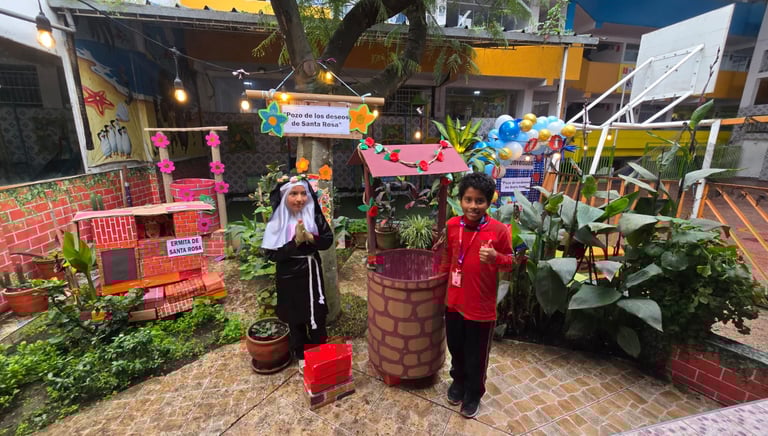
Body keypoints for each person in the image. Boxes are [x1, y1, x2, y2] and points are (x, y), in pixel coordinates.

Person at [438, 172, 514, 418]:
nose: (473, 206)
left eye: (479, 201)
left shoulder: (499, 230)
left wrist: (496, 257)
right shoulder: (452, 225)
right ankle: (458, 382)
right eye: (468, 200)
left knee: (476, 355)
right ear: (460, 200)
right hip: (454, 303)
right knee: (456, 347)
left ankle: (473, 393)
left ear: (488, 202)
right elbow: (447, 258)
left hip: (481, 308)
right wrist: (439, 286)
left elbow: (510, 263)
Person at [261, 177, 334, 372]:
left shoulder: (314, 215)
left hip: (311, 271)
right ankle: (301, 354)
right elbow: (272, 255)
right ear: (284, 196)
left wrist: (310, 237)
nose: (300, 198)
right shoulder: (277, 221)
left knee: (317, 314)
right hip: (288, 275)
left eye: (303, 193)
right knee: (295, 317)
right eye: (294, 194)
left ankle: (319, 351)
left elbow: (327, 240)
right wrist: (295, 242)